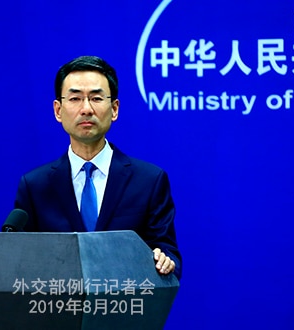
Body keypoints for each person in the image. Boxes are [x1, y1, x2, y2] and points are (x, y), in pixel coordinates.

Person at [14, 55, 181, 279]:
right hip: (56, 309)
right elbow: (20, 260)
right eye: (74, 99)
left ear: (114, 109)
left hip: (125, 307)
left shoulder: (149, 181)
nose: (86, 109)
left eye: (96, 98)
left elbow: (167, 252)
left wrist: (164, 259)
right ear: (57, 110)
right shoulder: (35, 186)